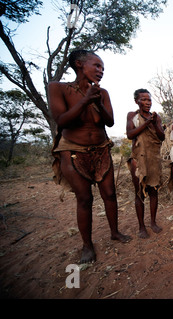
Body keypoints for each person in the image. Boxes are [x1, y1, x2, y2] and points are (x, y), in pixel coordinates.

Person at [49, 49, 131, 264]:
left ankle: (115, 232)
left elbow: (110, 122)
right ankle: (87, 245)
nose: (101, 71)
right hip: (73, 150)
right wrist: (85, 100)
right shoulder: (58, 88)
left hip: (101, 148)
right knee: (84, 199)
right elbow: (62, 120)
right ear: (79, 64)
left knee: (110, 194)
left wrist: (96, 102)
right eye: (96, 65)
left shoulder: (102, 93)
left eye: (102, 67)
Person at [126, 89, 165, 238]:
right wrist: (147, 123)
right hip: (138, 158)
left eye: (149, 100)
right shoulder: (132, 116)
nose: (148, 102)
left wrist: (154, 123)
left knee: (154, 191)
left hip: (153, 158)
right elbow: (130, 134)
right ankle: (141, 226)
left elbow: (161, 137)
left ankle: (153, 222)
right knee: (139, 193)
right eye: (144, 100)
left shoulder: (156, 117)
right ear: (137, 101)